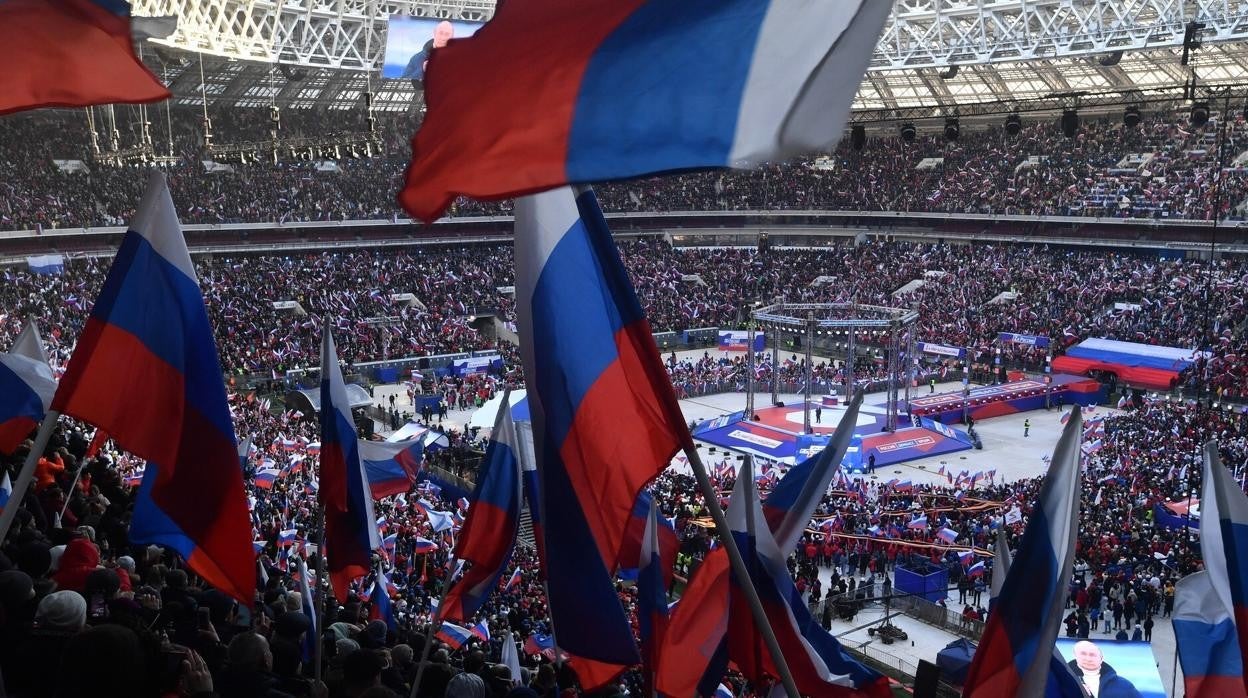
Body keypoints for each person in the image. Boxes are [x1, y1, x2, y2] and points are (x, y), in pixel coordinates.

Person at [1068, 640, 1143, 698]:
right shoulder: (1061, 680)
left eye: (1092, 655)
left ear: (1101, 658)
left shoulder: (1124, 685)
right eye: (1083, 654)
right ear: (1075, 656)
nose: (1088, 659)